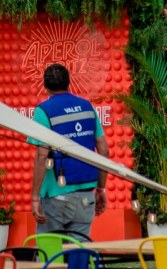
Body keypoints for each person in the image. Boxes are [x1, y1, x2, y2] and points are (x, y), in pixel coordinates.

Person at [29, 63, 109, 241]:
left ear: (45, 86)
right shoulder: (87, 107)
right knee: (79, 252)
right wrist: (101, 189)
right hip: (86, 195)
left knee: (51, 253)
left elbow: (42, 156)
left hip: (56, 196)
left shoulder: (43, 111)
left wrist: (35, 198)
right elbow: (103, 150)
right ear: (69, 83)